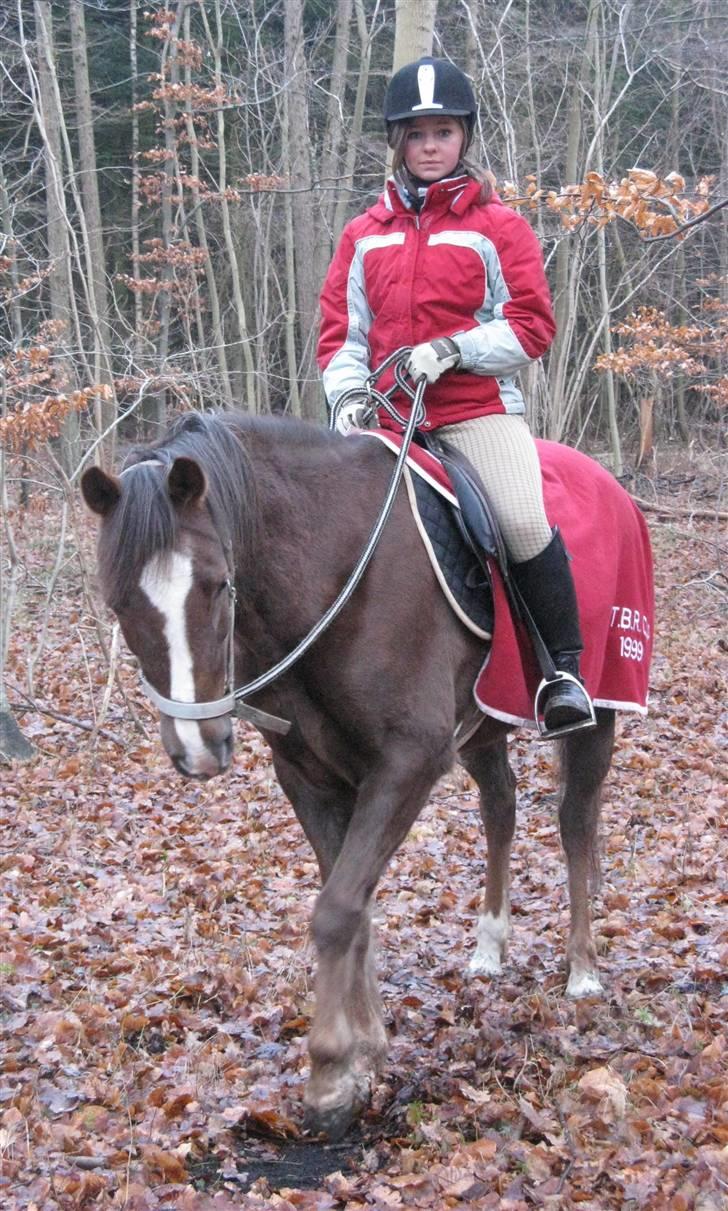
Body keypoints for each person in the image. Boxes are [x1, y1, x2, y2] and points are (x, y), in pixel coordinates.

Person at [317, 56, 594, 737]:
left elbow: (532, 325)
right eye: (418, 134)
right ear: (398, 144)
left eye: (444, 131)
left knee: (524, 521)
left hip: (474, 414)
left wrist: (455, 349)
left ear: (463, 138)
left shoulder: (499, 227)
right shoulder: (362, 236)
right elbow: (341, 335)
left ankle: (562, 673)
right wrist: (349, 399)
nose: (432, 145)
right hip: (383, 420)